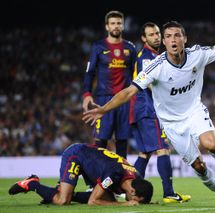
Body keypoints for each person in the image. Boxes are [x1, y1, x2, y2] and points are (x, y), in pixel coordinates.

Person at [83, 20, 215, 209]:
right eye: (168, 36)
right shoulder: (155, 66)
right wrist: (104, 109)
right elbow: (129, 91)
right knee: (199, 166)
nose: (173, 40)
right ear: (164, 42)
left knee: (210, 144)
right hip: (171, 124)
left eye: (177, 35)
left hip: (194, 111)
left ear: (184, 39)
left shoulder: (198, 54)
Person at [129, 22, 191, 203]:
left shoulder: (155, 56)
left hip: (140, 110)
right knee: (163, 149)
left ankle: (127, 190)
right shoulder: (147, 57)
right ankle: (169, 193)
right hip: (149, 109)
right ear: (144, 38)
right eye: (151, 34)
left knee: (144, 153)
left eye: (157, 33)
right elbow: (147, 83)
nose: (156, 37)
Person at [8, 143, 153, 206]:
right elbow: (92, 202)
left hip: (91, 158)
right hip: (76, 155)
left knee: (108, 197)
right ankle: (32, 183)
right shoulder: (113, 174)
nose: (135, 202)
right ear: (132, 191)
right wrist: (125, 204)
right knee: (62, 201)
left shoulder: (136, 177)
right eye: (136, 200)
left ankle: (57, 193)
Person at [82, 10, 137, 158]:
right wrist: (87, 94)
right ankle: (97, 178)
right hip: (103, 100)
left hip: (124, 101)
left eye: (119, 23)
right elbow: (89, 72)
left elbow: (136, 76)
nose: (116, 26)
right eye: (113, 23)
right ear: (107, 26)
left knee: (122, 142)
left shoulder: (130, 48)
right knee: (101, 142)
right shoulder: (98, 47)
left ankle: (122, 178)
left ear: (123, 26)